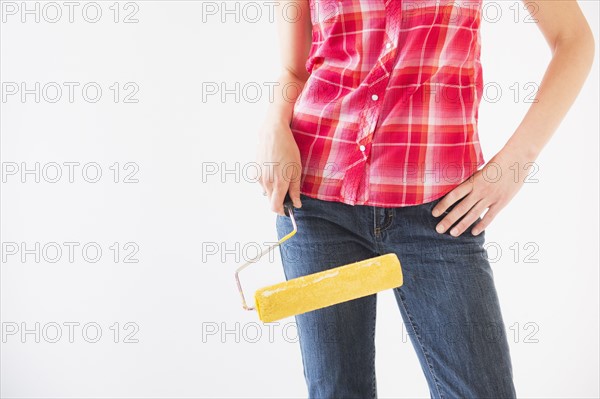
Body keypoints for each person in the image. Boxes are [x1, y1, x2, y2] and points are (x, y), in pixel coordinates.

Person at [256, 0, 594, 398]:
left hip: (440, 212)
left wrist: (514, 165)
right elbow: (294, 69)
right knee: (337, 391)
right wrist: (273, 125)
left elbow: (574, 40)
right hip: (318, 201)